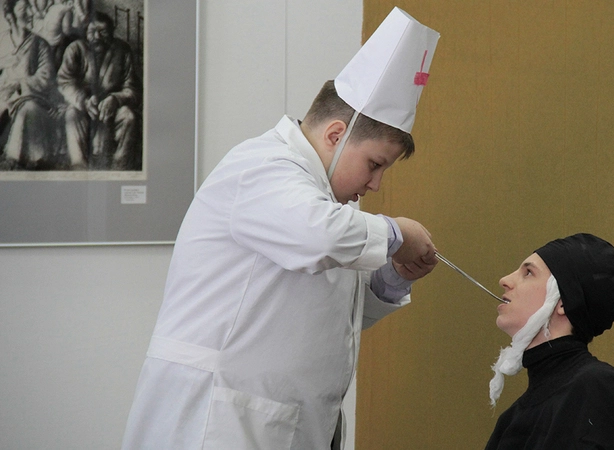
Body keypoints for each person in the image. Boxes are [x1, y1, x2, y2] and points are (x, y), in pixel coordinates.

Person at [121, 7, 440, 450]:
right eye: (374, 164)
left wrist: (390, 280)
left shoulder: (320, 204)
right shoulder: (263, 166)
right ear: (335, 135)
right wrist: (397, 234)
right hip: (215, 421)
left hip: (282, 422)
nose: (375, 184)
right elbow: (321, 236)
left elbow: (328, 318)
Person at [485, 233, 614, 449]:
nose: (505, 280)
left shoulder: (602, 393)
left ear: (563, 302)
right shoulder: (511, 420)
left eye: (528, 273)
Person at [57, 11, 139, 169]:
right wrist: (84, 101)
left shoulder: (122, 50)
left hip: (113, 109)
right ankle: (79, 168)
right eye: (92, 31)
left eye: (103, 32)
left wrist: (116, 99)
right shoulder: (75, 49)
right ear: (85, 32)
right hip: (82, 107)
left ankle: (120, 169)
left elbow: (132, 88)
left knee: (129, 116)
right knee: (71, 114)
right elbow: (64, 82)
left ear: (112, 32)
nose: (97, 37)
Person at [0, 0, 60, 170]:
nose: (30, 13)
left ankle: (16, 159)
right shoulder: (2, 41)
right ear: (10, 16)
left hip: (31, 98)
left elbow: (46, 78)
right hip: (3, 97)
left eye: (30, 9)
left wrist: (19, 85)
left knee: (29, 110)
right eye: (23, 9)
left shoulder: (40, 44)